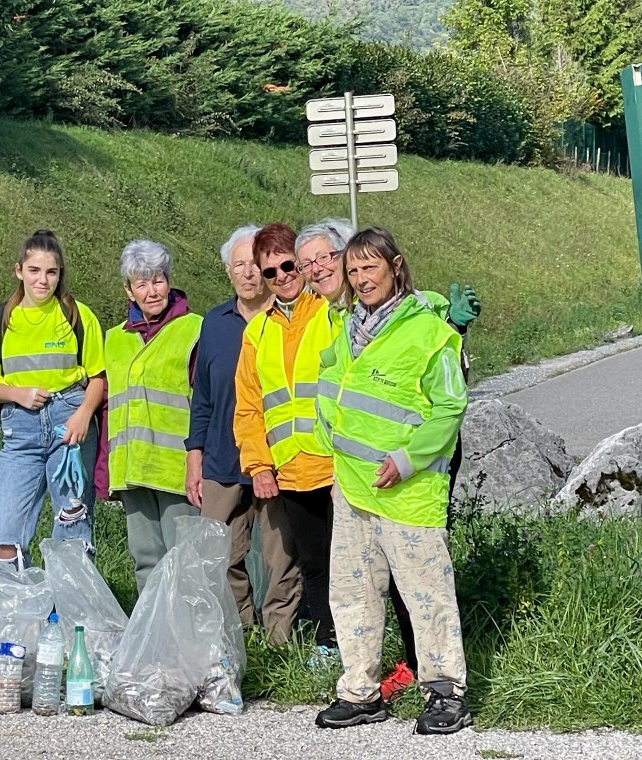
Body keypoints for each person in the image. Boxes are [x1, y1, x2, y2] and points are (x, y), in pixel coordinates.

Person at [296, 218, 481, 700]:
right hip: (353, 489)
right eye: (353, 269)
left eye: (370, 267)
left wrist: (407, 459)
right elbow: (331, 388)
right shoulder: (347, 328)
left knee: (427, 597)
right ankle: (358, 690)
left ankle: (445, 692)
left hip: (408, 492)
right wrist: (329, 433)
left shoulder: (427, 331)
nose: (360, 279)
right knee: (353, 597)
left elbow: (450, 407)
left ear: (396, 267)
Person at [233, 223, 337, 654]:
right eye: (270, 271)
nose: (282, 277)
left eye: (288, 266)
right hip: (291, 470)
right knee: (313, 564)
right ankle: (326, 647)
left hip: (338, 463)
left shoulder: (330, 313)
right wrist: (258, 466)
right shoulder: (256, 332)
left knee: (355, 564)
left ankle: (365, 647)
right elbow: (249, 407)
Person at [0, 230, 105, 570]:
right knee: (4, 540)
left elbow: (98, 379)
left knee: (72, 531)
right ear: (19, 270)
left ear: (60, 274)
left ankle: (68, 615)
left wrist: (82, 416)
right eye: (34, 271)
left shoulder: (78, 316)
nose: (42, 280)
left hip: (70, 430)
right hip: (21, 434)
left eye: (51, 272)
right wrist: (17, 393)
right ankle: (17, 615)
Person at [186, 225, 292, 631]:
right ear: (228, 271)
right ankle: (241, 634)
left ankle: (281, 641)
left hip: (276, 457)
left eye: (255, 265)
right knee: (221, 556)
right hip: (222, 459)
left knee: (280, 556)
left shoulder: (285, 319)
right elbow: (203, 399)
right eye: (239, 265)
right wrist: (194, 457)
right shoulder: (214, 323)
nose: (248, 274)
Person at [105, 239, 203, 594]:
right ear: (129, 291)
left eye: (158, 280)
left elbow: (203, 400)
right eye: (142, 283)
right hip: (132, 469)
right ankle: (152, 635)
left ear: (169, 280)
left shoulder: (194, 329)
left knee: (185, 559)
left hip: (178, 469)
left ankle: (188, 635)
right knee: (145, 559)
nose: (152, 291)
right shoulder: (113, 339)